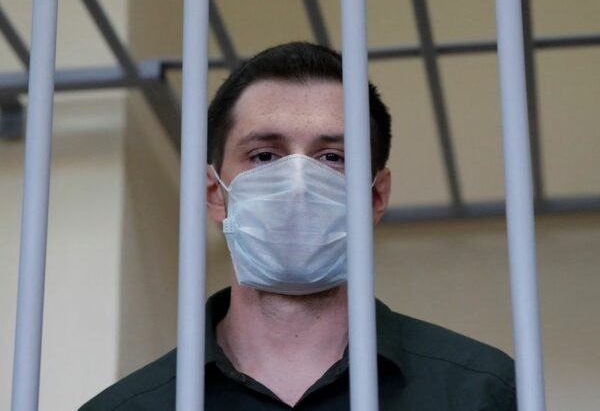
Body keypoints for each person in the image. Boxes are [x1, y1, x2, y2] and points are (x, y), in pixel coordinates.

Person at [80, 42, 516, 410]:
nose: (298, 186)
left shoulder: (480, 392)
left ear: (375, 196)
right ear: (215, 193)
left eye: (332, 157)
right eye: (264, 155)